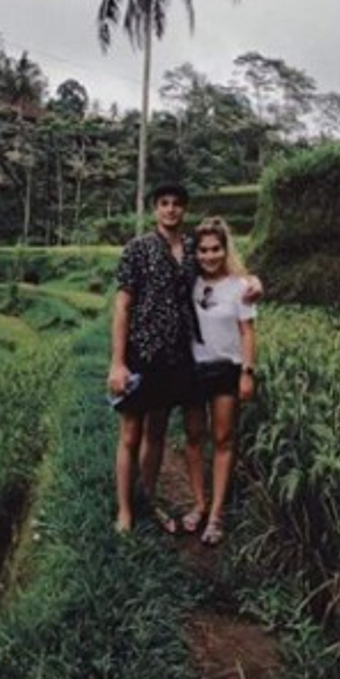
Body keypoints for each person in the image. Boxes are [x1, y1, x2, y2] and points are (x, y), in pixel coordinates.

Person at [108, 182, 199, 534]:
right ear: (154, 209)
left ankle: (147, 498)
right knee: (131, 433)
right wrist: (118, 362)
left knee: (157, 432)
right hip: (140, 354)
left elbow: (224, 271)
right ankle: (125, 510)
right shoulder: (138, 249)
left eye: (177, 204)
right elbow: (123, 305)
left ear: (184, 210)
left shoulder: (192, 249)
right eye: (164, 203)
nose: (171, 209)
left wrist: (251, 282)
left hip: (175, 356)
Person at [179, 217, 257, 547]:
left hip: (227, 369)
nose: (209, 256)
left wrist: (247, 373)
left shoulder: (240, 287)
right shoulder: (188, 282)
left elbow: (247, 333)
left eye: (215, 249)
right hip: (193, 369)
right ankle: (199, 504)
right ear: (194, 253)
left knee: (223, 439)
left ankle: (217, 515)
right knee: (194, 437)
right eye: (203, 250)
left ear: (225, 250)